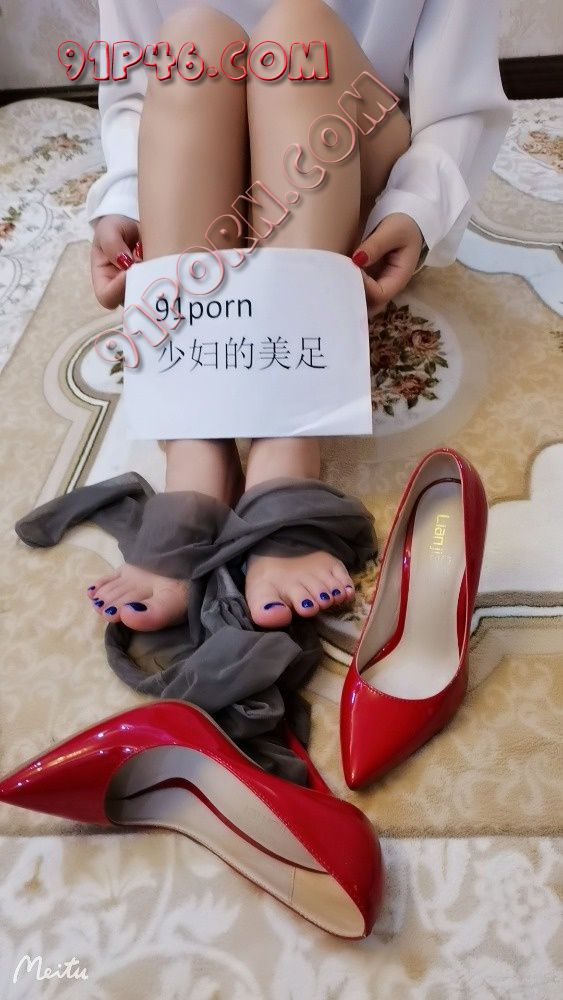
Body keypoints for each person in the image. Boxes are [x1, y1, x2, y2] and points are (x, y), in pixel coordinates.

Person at [86, 0, 511, 632]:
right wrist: (125, 198)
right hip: (203, 199)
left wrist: (417, 209)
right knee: (192, 39)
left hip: (348, 173)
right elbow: (133, 91)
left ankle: (285, 446)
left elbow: (458, 100)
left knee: (297, 33)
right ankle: (197, 448)